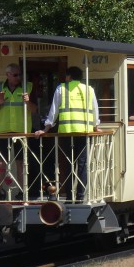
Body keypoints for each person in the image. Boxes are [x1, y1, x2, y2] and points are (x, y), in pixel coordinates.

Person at [36, 66, 99, 201]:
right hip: (84, 133)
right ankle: (81, 196)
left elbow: (53, 112)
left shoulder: (61, 89)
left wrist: (46, 128)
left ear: (68, 77)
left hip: (66, 134)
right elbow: (94, 110)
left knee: (68, 165)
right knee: (82, 165)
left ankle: (70, 196)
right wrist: (96, 126)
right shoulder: (89, 90)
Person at [0, 63, 37, 188]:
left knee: (21, 164)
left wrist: (27, 101)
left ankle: (23, 193)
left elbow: (35, 109)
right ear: (8, 75)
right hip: (3, 132)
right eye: (15, 75)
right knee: (0, 164)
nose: (18, 77)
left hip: (22, 132)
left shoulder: (28, 87)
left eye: (20, 75)